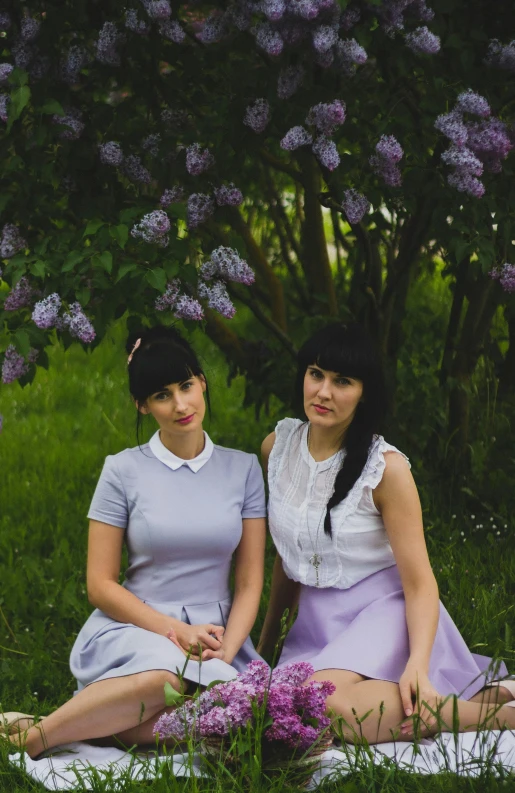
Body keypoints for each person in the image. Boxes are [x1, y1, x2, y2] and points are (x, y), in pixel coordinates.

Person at [2, 326, 267, 758]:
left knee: (233, 714)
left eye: (186, 385)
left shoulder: (244, 469)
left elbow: (251, 581)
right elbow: (100, 584)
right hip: (138, 627)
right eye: (162, 395)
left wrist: (224, 656)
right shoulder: (122, 470)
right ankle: (35, 741)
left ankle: (81, 723)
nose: (180, 404)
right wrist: (180, 634)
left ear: (202, 381)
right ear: (142, 405)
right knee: (164, 682)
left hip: (219, 637)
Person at [258, 322, 515, 744]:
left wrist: (417, 662)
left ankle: (487, 717)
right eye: (316, 374)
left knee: (325, 705)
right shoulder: (277, 447)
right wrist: (264, 650)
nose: (323, 392)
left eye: (343, 381)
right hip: (318, 622)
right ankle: (482, 701)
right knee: (298, 705)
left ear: (365, 393)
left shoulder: (386, 470)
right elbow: (287, 560)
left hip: (384, 609)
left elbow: (419, 582)